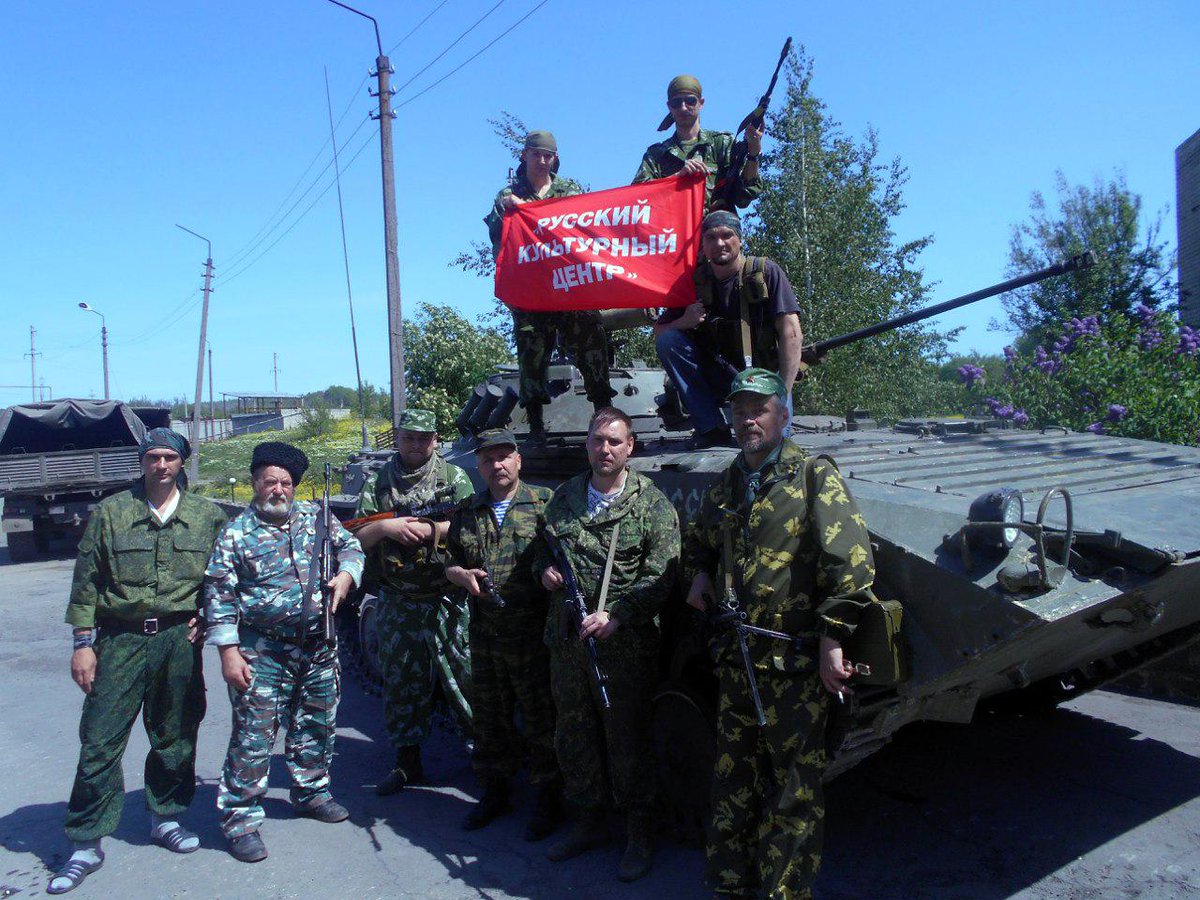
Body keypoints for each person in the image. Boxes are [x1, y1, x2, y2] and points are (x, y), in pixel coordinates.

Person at [682, 369, 876, 900]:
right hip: (737, 658)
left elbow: (851, 562)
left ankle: (783, 892)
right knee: (732, 780)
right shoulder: (729, 481)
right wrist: (698, 572)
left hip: (792, 663)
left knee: (793, 790)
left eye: (760, 410)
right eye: (740, 410)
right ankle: (728, 883)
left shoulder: (811, 475)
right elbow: (698, 541)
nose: (749, 420)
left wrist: (833, 638)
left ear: (782, 415)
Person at [49, 428, 226, 895]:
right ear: (142, 462)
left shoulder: (207, 515)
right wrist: (82, 644)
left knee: (175, 735)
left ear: (182, 462)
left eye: (170, 457)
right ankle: (86, 841)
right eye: (153, 457)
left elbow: (223, 577)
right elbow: (86, 582)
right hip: (119, 639)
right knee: (100, 740)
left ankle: (166, 818)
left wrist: (209, 616)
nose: (161, 465)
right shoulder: (111, 512)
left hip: (178, 640)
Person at [537, 407, 679, 882]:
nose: (605, 449)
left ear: (630, 447)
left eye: (615, 441)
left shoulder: (651, 505)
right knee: (573, 733)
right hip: (568, 642)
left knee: (627, 739)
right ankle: (588, 821)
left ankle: (639, 832)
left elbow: (662, 575)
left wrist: (618, 614)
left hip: (624, 646)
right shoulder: (565, 498)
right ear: (587, 444)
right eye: (598, 440)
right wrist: (545, 572)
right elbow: (543, 549)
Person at [204, 441, 364, 863]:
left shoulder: (318, 517)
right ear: (255, 483)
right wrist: (228, 653)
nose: (278, 489)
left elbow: (352, 547)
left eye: (286, 483)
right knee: (253, 736)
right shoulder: (235, 534)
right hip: (263, 651)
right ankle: (240, 820)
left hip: (318, 646)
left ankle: (311, 792)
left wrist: (347, 576)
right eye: (269, 481)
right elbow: (219, 597)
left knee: (316, 723)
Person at [444, 428, 564, 841]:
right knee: (490, 719)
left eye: (503, 456)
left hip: (532, 635)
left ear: (518, 460)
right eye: (488, 459)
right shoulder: (467, 511)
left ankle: (549, 798)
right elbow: (449, 563)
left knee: (541, 718)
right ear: (478, 466)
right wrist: (458, 574)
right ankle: (495, 791)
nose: (496, 465)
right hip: (485, 634)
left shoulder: (546, 504)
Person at [353, 409, 474, 795]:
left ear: (435, 439)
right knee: (402, 681)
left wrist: (432, 529)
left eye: (424, 438)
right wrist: (385, 527)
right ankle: (407, 762)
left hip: (446, 597)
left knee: (466, 679)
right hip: (398, 599)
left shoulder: (453, 478)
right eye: (409, 437)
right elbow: (354, 538)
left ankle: (486, 758)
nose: (417, 444)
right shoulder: (379, 483)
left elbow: (473, 526)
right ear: (398, 437)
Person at [485, 129, 614, 444]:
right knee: (532, 351)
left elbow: (585, 230)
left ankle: (604, 414)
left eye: (548, 156)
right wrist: (511, 211)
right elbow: (499, 242)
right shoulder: (508, 195)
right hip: (533, 290)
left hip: (569, 286)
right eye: (536, 154)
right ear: (524, 155)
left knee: (592, 338)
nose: (542, 161)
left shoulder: (568, 191)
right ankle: (536, 426)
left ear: (555, 158)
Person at [655, 210, 804, 449]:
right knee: (669, 340)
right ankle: (711, 426)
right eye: (711, 237)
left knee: (772, 446)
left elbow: (792, 334)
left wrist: (782, 395)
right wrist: (685, 320)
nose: (719, 243)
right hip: (718, 378)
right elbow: (660, 333)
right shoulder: (694, 282)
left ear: (740, 239)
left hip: (764, 380)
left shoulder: (765, 273)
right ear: (703, 245)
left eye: (727, 235)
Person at [633, 74, 763, 215]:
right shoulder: (657, 155)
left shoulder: (722, 144)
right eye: (676, 103)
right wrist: (676, 178)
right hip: (671, 227)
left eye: (690, 101)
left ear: (701, 103)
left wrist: (753, 153)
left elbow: (743, 199)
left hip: (715, 228)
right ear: (669, 106)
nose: (683, 108)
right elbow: (636, 200)